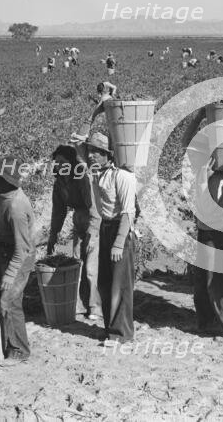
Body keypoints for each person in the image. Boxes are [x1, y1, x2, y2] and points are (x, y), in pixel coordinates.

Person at [181, 108, 223, 342]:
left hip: (215, 234)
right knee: (201, 281)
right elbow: (185, 142)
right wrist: (199, 116)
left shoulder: (222, 181)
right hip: (204, 232)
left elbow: (208, 209)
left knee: (215, 282)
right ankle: (206, 322)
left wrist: (202, 177)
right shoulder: (206, 173)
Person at [85, 132, 138, 345]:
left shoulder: (123, 176)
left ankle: (121, 333)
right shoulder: (100, 173)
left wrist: (118, 243)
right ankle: (110, 328)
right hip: (107, 228)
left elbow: (128, 212)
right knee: (105, 282)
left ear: (108, 155)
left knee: (120, 284)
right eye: (91, 151)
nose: (91, 155)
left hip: (120, 231)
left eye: (97, 152)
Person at [0, 156, 36, 366]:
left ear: (6, 180)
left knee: (9, 300)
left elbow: (22, 249)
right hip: (4, 249)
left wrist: (10, 274)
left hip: (20, 256)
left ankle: (19, 350)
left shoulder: (16, 207)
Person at [47, 144, 102, 320]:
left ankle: (95, 307)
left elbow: (93, 207)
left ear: (71, 163)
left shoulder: (82, 178)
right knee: (77, 261)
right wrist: (53, 235)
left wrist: (93, 234)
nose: (58, 165)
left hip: (93, 219)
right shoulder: (60, 183)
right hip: (78, 218)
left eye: (62, 162)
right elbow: (58, 211)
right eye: (56, 162)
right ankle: (79, 304)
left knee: (92, 266)